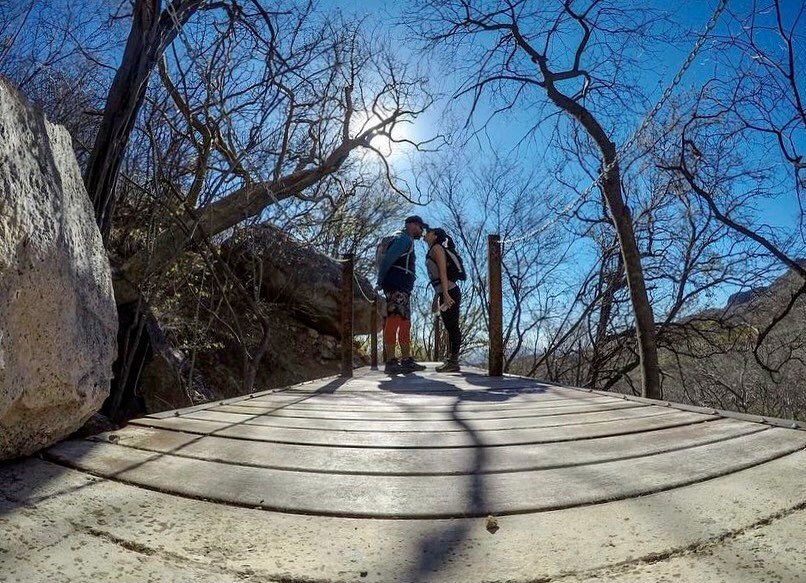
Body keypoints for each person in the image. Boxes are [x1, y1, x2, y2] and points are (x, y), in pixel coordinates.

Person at [377, 215, 428, 374]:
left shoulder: (402, 238)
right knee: (395, 319)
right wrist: (380, 280)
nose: (421, 231)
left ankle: (406, 360)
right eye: (420, 227)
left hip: (402, 287)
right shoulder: (404, 239)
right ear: (412, 225)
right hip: (397, 286)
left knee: (405, 322)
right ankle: (391, 361)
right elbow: (389, 259)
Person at [425, 228, 462, 373]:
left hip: (450, 291)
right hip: (444, 292)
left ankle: (453, 361)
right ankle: (452, 360)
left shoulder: (437, 248)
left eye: (429, 232)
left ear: (435, 236)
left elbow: (443, 272)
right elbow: (438, 278)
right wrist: (437, 297)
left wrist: (445, 295)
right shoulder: (433, 249)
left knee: (452, 326)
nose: (426, 233)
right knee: (449, 326)